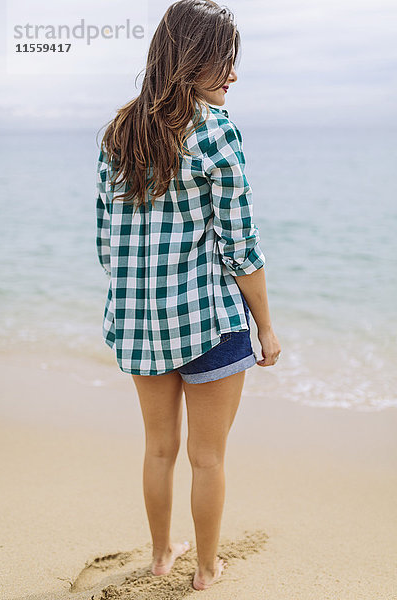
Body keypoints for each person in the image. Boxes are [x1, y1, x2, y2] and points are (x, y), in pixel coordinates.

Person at [95, 0, 281, 591]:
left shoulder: (119, 131)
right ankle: (205, 569)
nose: (232, 75)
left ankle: (159, 557)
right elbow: (241, 242)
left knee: (158, 451)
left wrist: (138, 296)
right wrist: (267, 326)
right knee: (208, 458)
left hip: (139, 322)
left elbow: (106, 242)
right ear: (192, 61)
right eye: (223, 61)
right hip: (207, 321)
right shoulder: (217, 132)